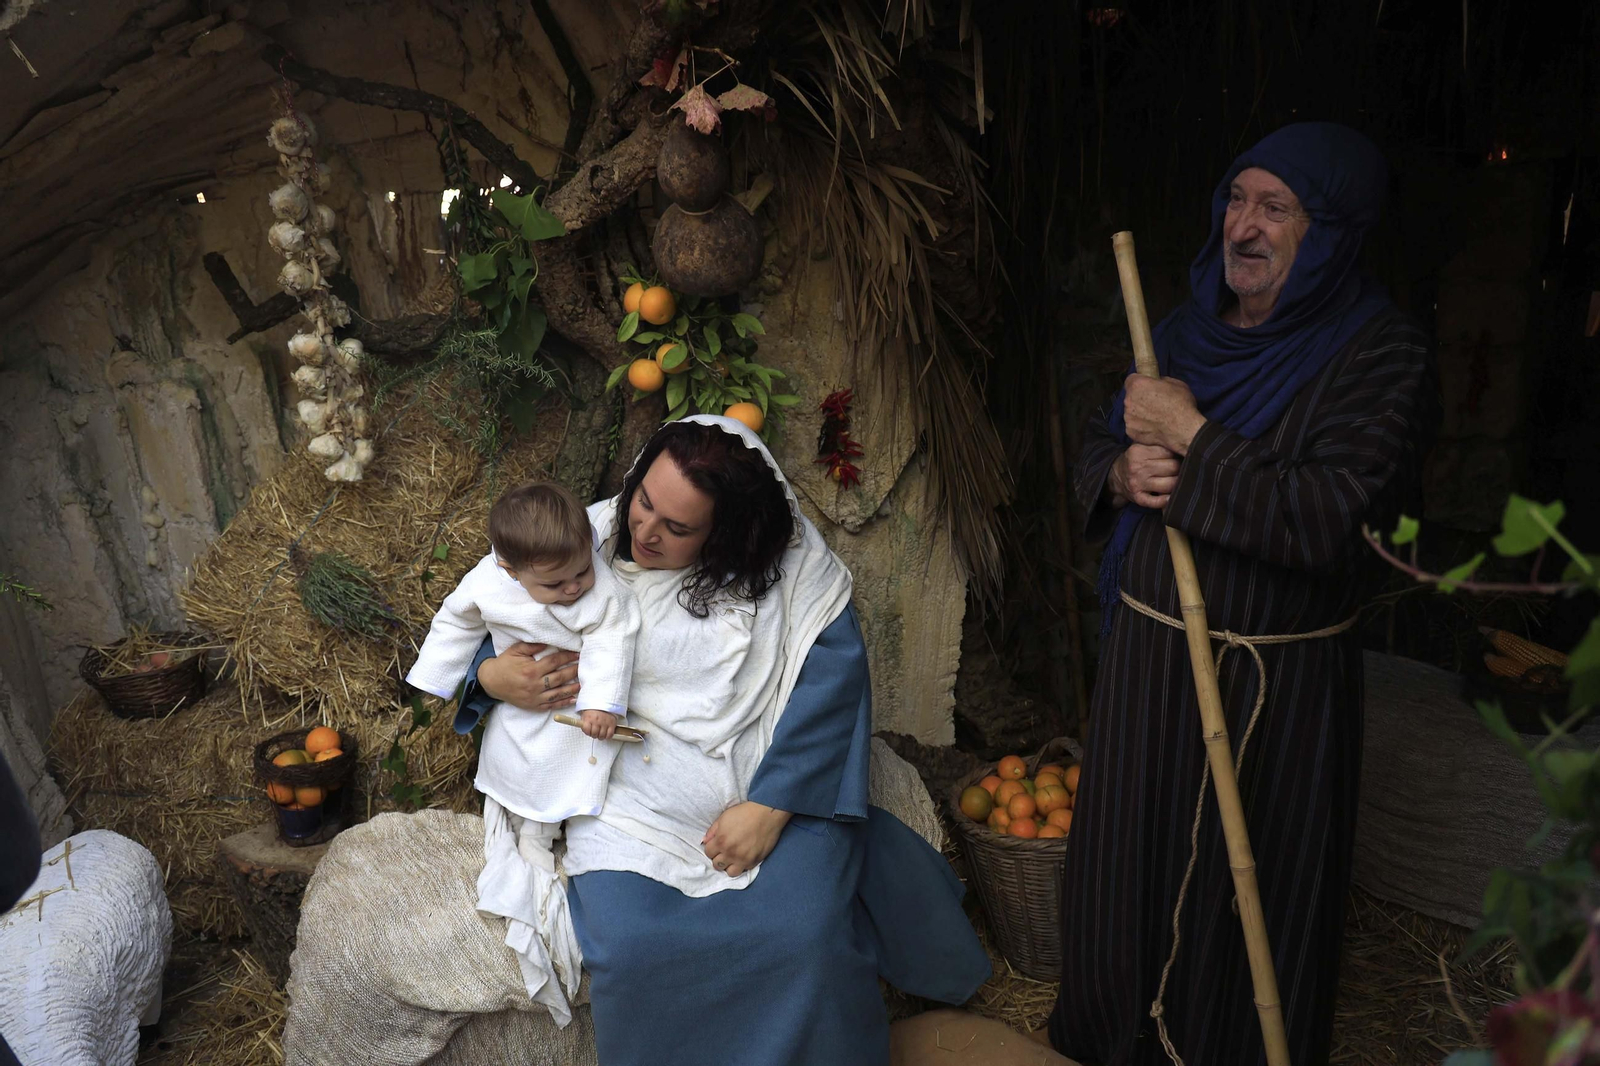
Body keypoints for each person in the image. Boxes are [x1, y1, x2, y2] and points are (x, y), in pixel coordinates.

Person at [1048, 123, 1441, 1064]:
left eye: (1276, 207)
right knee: (1125, 871)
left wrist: (1189, 431)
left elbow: (1328, 521)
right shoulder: (1183, 329)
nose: (1244, 227)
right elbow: (1107, 442)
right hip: (1150, 666)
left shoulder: (1380, 356)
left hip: (1278, 696)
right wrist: (1119, 473)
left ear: (1333, 232)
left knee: (1249, 891)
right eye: (1236, 199)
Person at [460, 414, 992, 1065]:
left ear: (727, 531)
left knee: (804, 937)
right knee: (633, 947)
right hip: (627, 803)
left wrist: (771, 809)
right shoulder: (581, 545)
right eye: (644, 502)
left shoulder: (795, 583)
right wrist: (494, 675)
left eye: (677, 527)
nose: (644, 530)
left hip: (765, 795)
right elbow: (494, 618)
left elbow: (831, 696)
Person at [406, 480, 640, 1026]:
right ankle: (535, 834)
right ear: (511, 571)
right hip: (521, 703)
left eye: (582, 571)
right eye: (556, 583)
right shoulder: (488, 581)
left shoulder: (600, 588)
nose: (575, 587)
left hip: (579, 701)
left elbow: (613, 636)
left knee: (578, 762)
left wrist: (603, 702)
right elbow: (455, 620)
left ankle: (576, 832)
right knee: (525, 763)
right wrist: (438, 679)